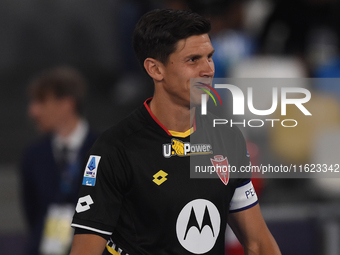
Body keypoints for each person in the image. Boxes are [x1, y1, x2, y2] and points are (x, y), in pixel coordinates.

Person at [69, 9, 281, 255]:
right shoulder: (115, 149)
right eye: (193, 60)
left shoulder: (227, 139)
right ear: (155, 70)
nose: (208, 70)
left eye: (209, 57)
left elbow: (258, 244)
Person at [21, 66, 98, 255]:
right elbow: (32, 211)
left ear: (67, 104)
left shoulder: (105, 149)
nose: (33, 111)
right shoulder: (33, 155)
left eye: (41, 102)